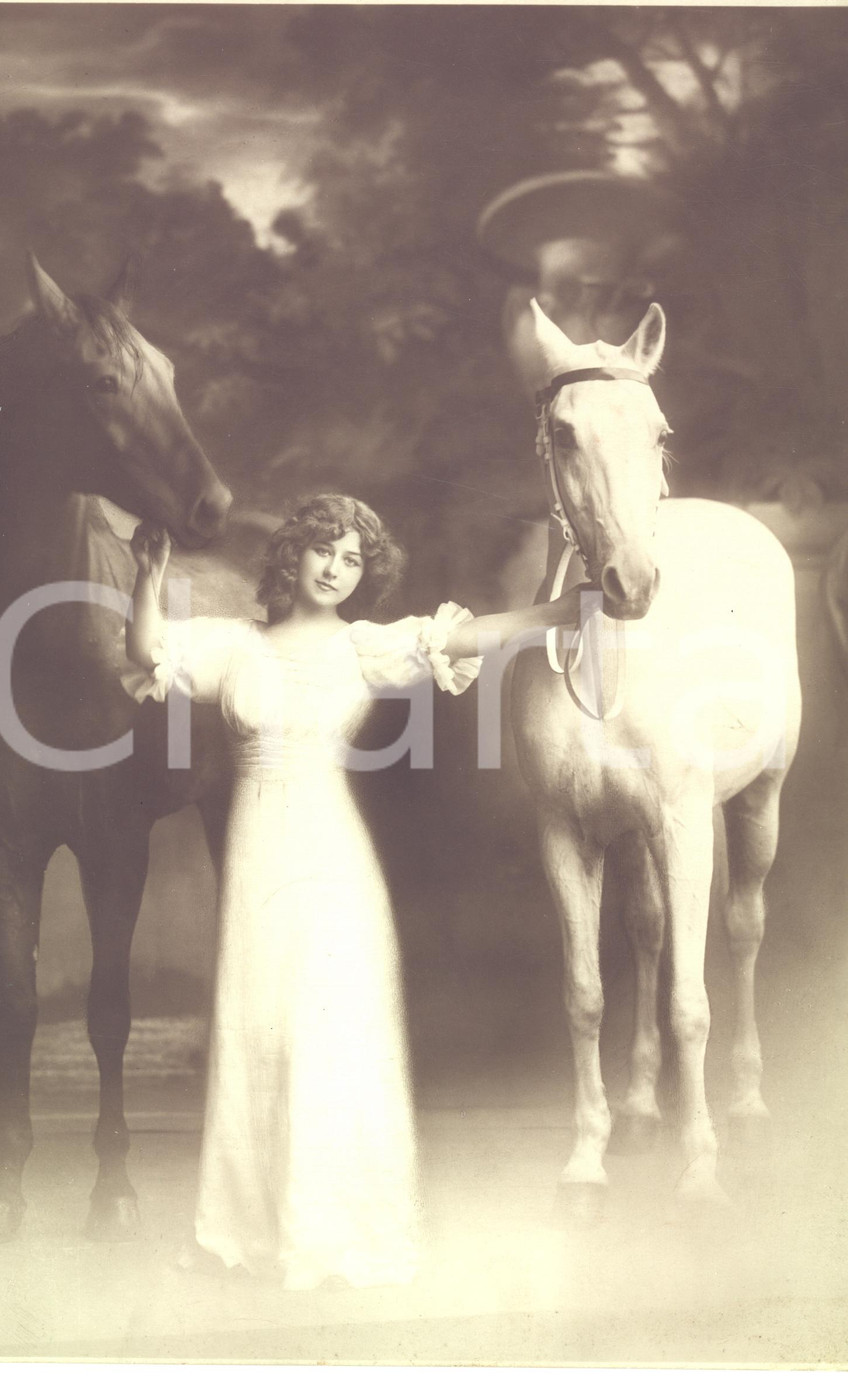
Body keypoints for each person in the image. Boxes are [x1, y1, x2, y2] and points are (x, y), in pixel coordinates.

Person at [122, 493, 583, 1290]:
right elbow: (146, 646)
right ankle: (246, 1226)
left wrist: (567, 606)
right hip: (259, 855)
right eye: (323, 550)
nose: (335, 568)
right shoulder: (235, 646)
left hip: (331, 854)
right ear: (292, 554)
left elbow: (467, 636)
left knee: (333, 1029)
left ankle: (336, 1230)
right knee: (255, 1026)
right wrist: (148, 573)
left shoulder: (366, 647)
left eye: (352, 559)